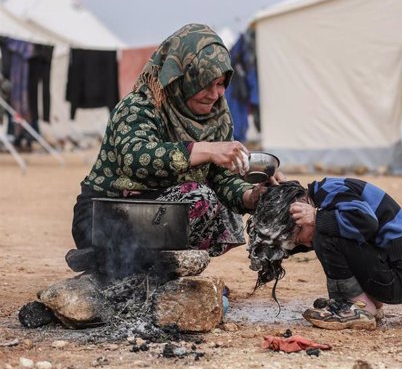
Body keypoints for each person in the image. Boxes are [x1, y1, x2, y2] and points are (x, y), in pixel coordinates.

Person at [68, 23, 274, 271]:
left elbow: (222, 179)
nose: (215, 94)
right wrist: (206, 149)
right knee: (199, 197)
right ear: (182, 78)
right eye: (205, 83)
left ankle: (150, 268)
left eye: (221, 84)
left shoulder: (218, 118)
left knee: (222, 206)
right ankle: (119, 262)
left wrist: (252, 197)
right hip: (105, 216)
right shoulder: (140, 106)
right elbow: (136, 159)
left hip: (159, 214)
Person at [246, 178, 402, 330]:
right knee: (325, 231)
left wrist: (317, 217)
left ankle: (354, 307)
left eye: (301, 238)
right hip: (389, 272)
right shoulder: (321, 197)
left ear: (301, 207)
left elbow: (367, 222)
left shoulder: (330, 191)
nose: (307, 245)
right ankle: (367, 302)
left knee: (325, 235)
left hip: (400, 274)